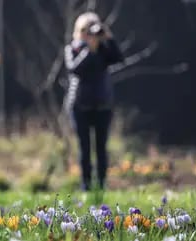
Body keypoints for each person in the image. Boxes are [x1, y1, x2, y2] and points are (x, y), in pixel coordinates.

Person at [64, 12, 124, 191]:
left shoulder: (104, 50)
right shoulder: (73, 49)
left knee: (101, 147)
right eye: (85, 30)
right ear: (78, 31)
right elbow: (74, 69)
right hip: (80, 105)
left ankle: (102, 184)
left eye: (93, 29)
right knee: (85, 148)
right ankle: (86, 185)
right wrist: (89, 51)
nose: (89, 35)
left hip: (102, 105)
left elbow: (119, 58)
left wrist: (109, 38)